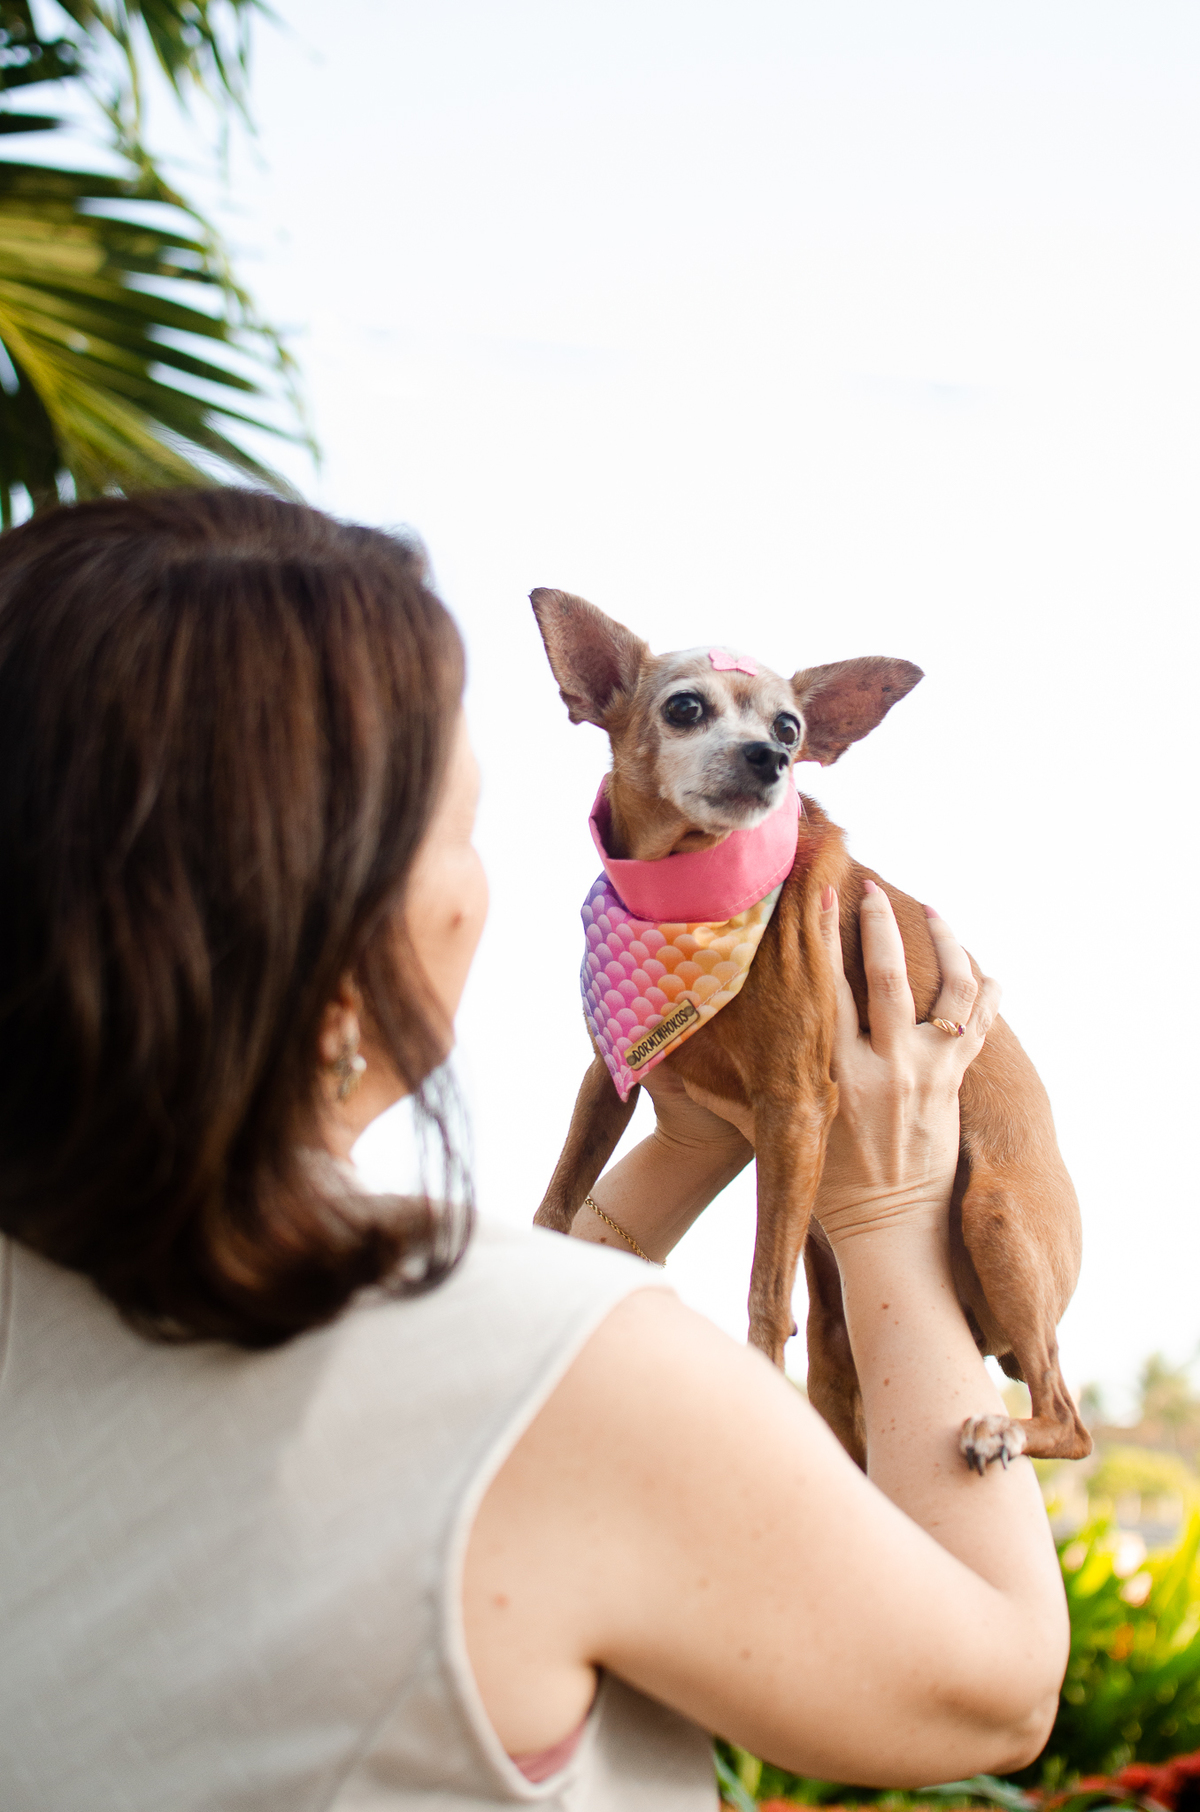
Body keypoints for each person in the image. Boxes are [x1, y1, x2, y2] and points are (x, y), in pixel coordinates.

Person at [0, 490, 1068, 1812]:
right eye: (458, 830)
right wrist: (893, 1206)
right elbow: (999, 1692)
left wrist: (691, 1126)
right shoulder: (569, 1381)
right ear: (329, 926)